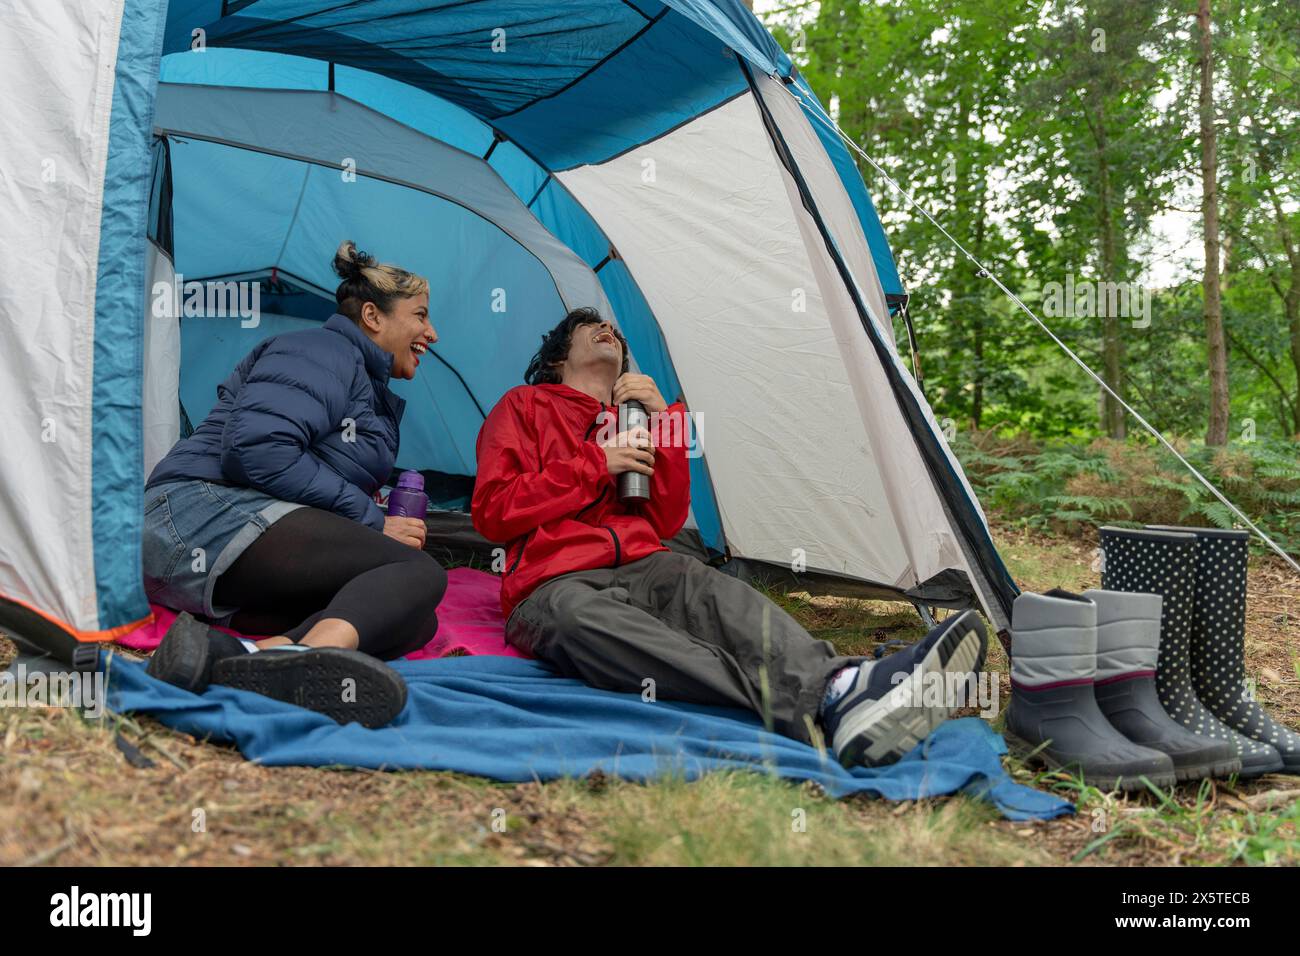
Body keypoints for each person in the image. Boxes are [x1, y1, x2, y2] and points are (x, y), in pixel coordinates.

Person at [472, 308, 987, 765]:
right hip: (553, 581)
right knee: (583, 623)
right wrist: (594, 463)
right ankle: (828, 706)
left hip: (644, 560)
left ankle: (839, 685)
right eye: (591, 325)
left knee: (716, 594)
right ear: (560, 357)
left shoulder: (637, 419)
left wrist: (666, 419)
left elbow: (667, 519)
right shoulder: (523, 405)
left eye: (615, 329)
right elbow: (493, 511)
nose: (609, 328)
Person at [142, 241, 446, 728]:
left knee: (409, 616)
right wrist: (373, 522)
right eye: (421, 316)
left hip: (234, 537)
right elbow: (257, 448)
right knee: (420, 572)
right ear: (372, 315)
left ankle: (244, 656)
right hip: (193, 514)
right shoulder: (322, 351)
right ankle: (309, 659)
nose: (432, 332)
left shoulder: (367, 385)